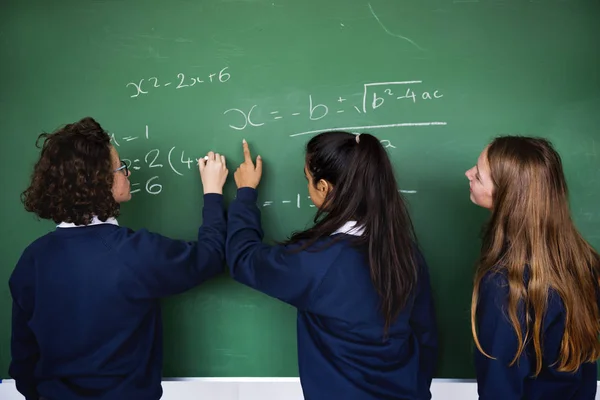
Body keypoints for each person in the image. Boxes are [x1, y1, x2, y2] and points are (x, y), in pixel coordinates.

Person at [9, 117, 228, 400]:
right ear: (99, 181)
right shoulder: (134, 252)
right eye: (121, 168)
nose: (127, 174)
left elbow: (24, 359)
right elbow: (210, 257)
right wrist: (213, 192)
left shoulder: (32, 259)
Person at [226, 132, 438, 399]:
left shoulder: (317, 260)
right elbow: (425, 336)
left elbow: (243, 259)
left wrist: (245, 193)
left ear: (324, 187)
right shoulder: (405, 253)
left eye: (308, 179)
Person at [466, 135, 600, 400]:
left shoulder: (503, 284)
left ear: (508, 196)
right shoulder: (584, 262)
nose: (468, 173)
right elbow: (586, 369)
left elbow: (498, 388)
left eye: (479, 176)